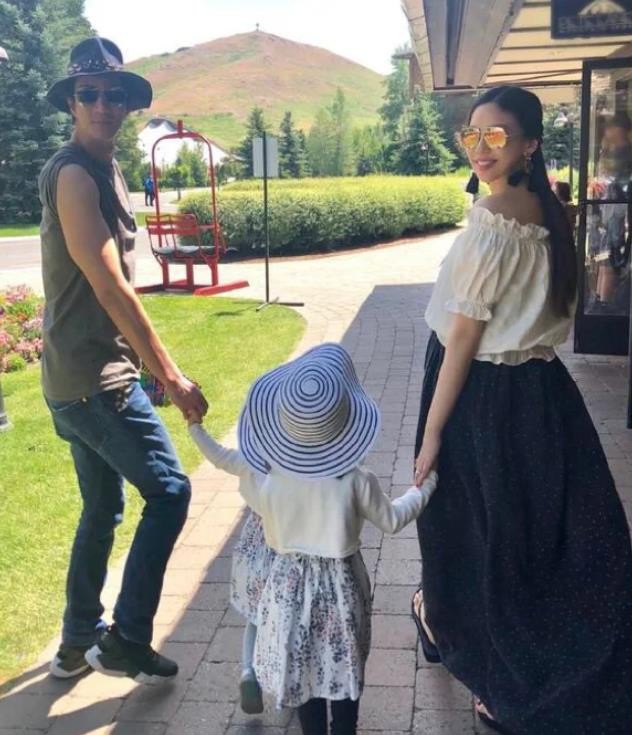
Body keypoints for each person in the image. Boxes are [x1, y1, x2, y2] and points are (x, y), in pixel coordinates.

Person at [412, 86, 632, 734]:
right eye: (472, 135)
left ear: (529, 143)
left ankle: (478, 653)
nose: (480, 147)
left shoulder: (495, 218)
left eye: (497, 136)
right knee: (535, 535)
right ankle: (456, 627)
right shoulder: (551, 209)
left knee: (475, 531)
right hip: (542, 390)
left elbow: (464, 336)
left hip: (481, 393)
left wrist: (432, 432)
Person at [40, 37, 208, 683]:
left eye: (114, 94)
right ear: (72, 103)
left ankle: (76, 640)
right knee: (170, 490)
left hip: (78, 376)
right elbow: (110, 286)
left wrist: (144, 365)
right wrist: (170, 374)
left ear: (129, 103)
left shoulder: (104, 166)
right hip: (93, 382)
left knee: (102, 508)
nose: (102, 104)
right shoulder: (74, 175)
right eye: (88, 94)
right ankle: (126, 639)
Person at [188, 343, 438, 734]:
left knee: (302, 671)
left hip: (287, 591)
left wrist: (195, 427)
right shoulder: (355, 482)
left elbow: (226, 461)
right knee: (344, 668)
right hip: (342, 590)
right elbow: (393, 519)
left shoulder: (269, 482)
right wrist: (427, 484)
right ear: (346, 424)